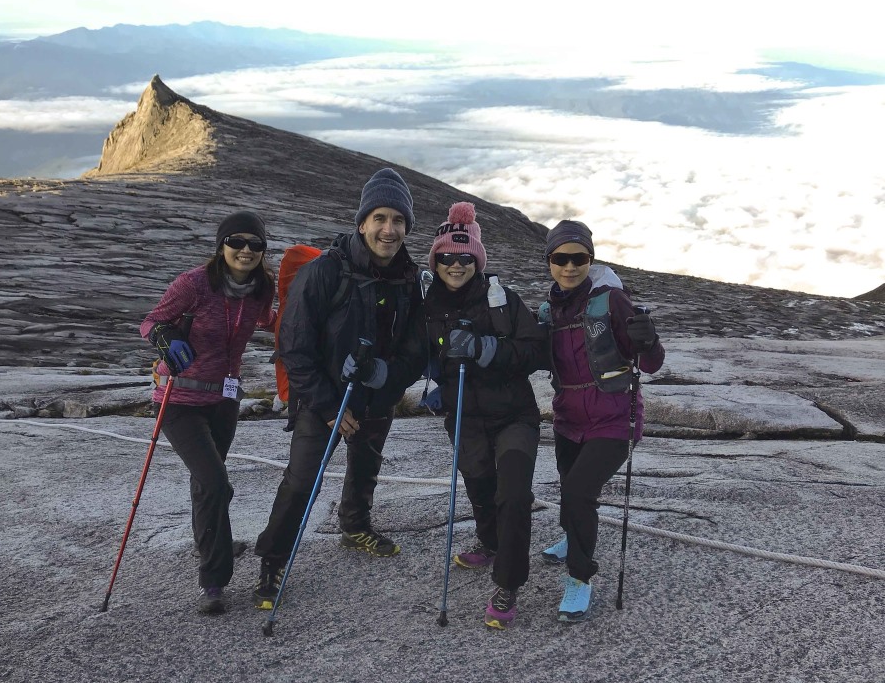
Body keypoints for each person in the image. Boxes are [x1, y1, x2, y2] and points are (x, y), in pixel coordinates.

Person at [252, 168, 421, 610]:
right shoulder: (326, 272)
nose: (389, 229)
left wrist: (389, 376)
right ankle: (273, 560)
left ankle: (355, 525)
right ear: (362, 222)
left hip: (375, 397)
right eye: (380, 218)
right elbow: (294, 344)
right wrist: (327, 405)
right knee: (302, 480)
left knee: (366, 465)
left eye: (398, 221)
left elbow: (416, 346)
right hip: (323, 399)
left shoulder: (408, 279)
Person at [387, 202, 546, 630]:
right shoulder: (427, 309)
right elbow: (415, 358)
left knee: (512, 495)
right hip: (464, 417)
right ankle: (491, 544)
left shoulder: (501, 301)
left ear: (476, 260)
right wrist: (388, 375)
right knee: (480, 488)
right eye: (445, 257)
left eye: (464, 258)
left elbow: (536, 351)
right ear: (435, 260)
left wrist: (487, 349)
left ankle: (508, 583)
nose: (455, 265)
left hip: (514, 416)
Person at [140, 211, 276, 614]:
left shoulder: (261, 288)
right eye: (237, 241)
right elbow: (150, 323)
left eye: (256, 244)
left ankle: (210, 540)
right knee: (217, 483)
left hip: (225, 400)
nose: (246, 250)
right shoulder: (193, 284)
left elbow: (267, 319)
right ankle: (214, 580)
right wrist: (165, 340)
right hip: (179, 400)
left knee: (205, 483)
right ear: (222, 245)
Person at [535, 220, 664, 623]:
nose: (570, 266)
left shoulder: (612, 301)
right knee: (567, 484)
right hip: (568, 418)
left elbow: (652, 363)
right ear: (550, 262)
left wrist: (648, 339)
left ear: (590, 260)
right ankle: (573, 536)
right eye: (561, 258)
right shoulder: (547, 311)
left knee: (577, 492)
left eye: (579, 258)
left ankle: (580, 576)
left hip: (614, 419)